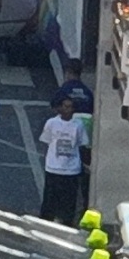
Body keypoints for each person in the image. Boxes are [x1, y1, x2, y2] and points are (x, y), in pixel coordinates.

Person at [38, 94, 89, 223]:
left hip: (71, 169)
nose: (68, 110)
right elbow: (47, 141)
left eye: (71, 107)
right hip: (53, 168)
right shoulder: (52, 123)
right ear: (60, 108)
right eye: (65, 107)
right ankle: (46, 221)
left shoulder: (78, 125)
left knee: (69, 201)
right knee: (49, 200)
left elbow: (82, 144)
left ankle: (66, 221)